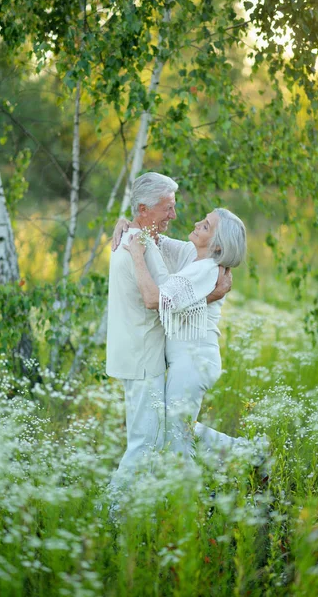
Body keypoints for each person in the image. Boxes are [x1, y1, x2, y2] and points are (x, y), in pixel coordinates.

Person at [105, 173, 232, 500]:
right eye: (169, 208)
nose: (175, 216)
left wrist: (131, 221)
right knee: (150, 441)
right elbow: (154, 300)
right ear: (145, 209)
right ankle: (114, 516)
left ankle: (238, 460)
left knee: (170, 431)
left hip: (170, 358)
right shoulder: (139, 244)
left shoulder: (147, 241)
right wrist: (211, 297)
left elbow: (177, 283)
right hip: (144, 358)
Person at [122, 207, 257, 467]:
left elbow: (153, 300)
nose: (197, 223)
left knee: (176, 438)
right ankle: (248, 452)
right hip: (189, 361)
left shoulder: (205, 270)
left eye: (205, 226)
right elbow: (154, 238)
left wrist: (137, 257)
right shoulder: (193, 257)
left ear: (218, 246)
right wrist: (124, 223)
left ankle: (184, 497)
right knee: (176, 428)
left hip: (194, 361)